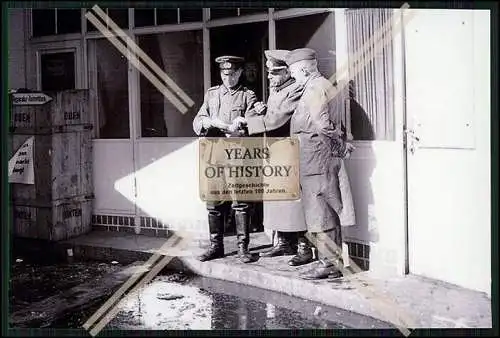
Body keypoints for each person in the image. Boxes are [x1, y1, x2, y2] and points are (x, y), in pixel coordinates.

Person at [284, 48, 355, 279]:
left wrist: (340, 147)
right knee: (323, 209)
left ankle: (329, 265)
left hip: (316, 157)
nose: (292, 76)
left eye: (293, 71)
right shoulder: (319, 86)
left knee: (320, 211)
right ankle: (330, 263)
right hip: (317, 156)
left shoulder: (315, 88)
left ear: (304, 69)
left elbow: (323, 124)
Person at [231, 49, 308, 258]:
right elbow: (273, 115)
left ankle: (302, 246)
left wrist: (250, 122)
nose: (269, 77)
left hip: (288, 150)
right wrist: (263, 110)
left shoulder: (295, 89)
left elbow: (279, 118)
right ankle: (283, 242)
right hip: (275, 150)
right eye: (269, 72)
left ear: (286, 72)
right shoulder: (277, 90)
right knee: (277, 200)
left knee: (294, 200)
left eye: (273, 73)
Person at [193, 55, 258, 263]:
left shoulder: (248, 96)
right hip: (215, 154)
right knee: (214, 202)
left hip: (237, 155)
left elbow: (255, 122)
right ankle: (216, 246)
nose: (227, 77)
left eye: (231, 74)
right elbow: (198, 120)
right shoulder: (212, 94)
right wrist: (209, 122)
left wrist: (243, 123)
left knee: (240, 202)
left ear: (239, 73)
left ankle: (242, 248)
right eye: (224, 73)